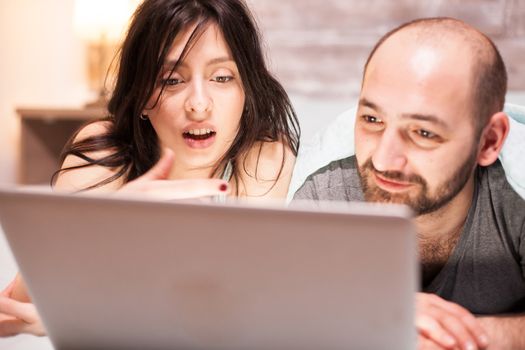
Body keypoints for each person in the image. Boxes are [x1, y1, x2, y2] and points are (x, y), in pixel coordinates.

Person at [0, 0, 299, 337]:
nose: (199, 104)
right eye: (172, 80)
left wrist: (86, 315)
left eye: (222, 77)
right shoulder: (104, 153)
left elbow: (236, 309)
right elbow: (15, 313)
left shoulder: (265, 156)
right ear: (141, 96)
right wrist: (110, 220)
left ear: (246, 90)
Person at [294, 17, 524, 350]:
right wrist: (376, 312)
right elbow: (286, 313)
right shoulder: (326, 193)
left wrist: (447, 337)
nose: (384, 161)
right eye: (372, 120)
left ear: (489, 141)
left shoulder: (515, 201)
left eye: (423, 133)